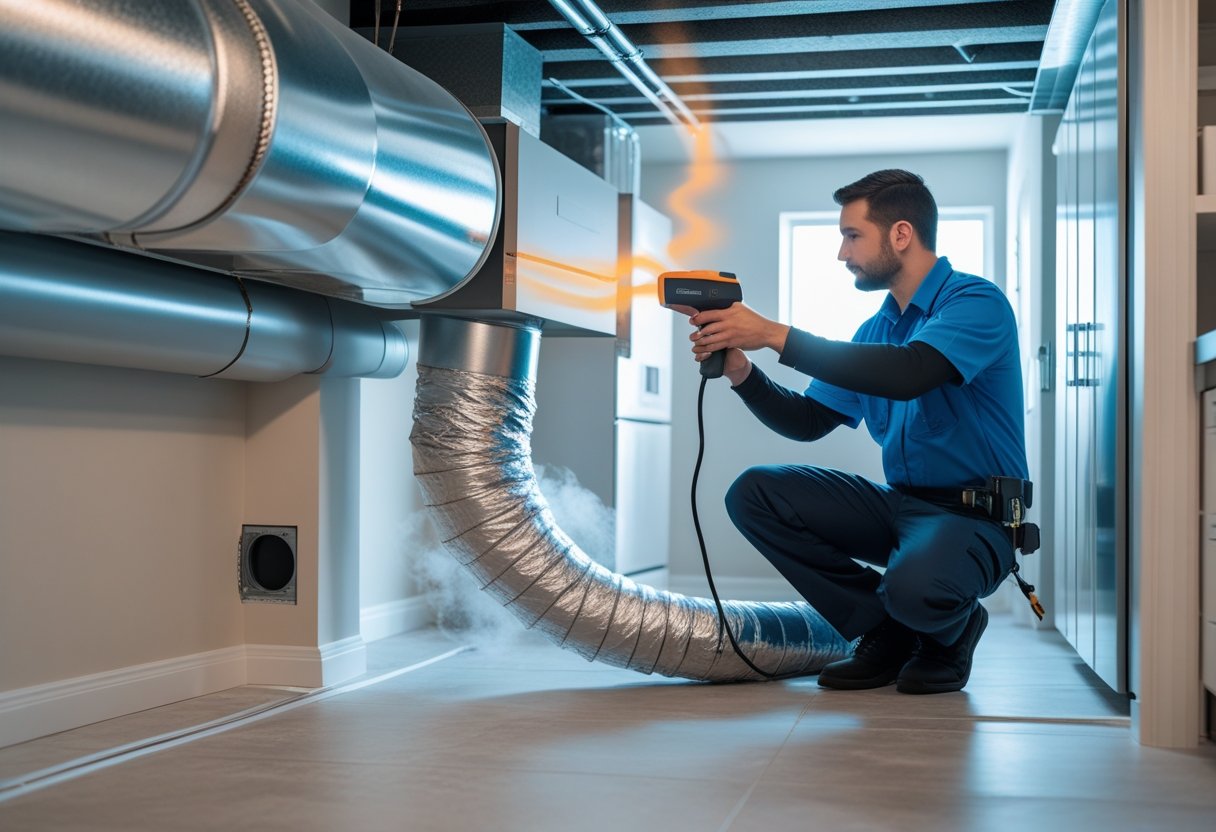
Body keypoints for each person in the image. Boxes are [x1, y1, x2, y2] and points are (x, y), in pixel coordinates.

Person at [687, 169, 1028, 694]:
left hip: (975, 518)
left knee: (915, 588)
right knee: (755, 494)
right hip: (904, 508)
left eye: (852, 235)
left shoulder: (975, 302)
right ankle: (885, 628)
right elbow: (807, 421)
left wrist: (774, 334)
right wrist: (741, 372)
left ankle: (951, 629)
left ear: (901, 234)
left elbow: (911, 372)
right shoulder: (875, 330)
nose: (842, 253)